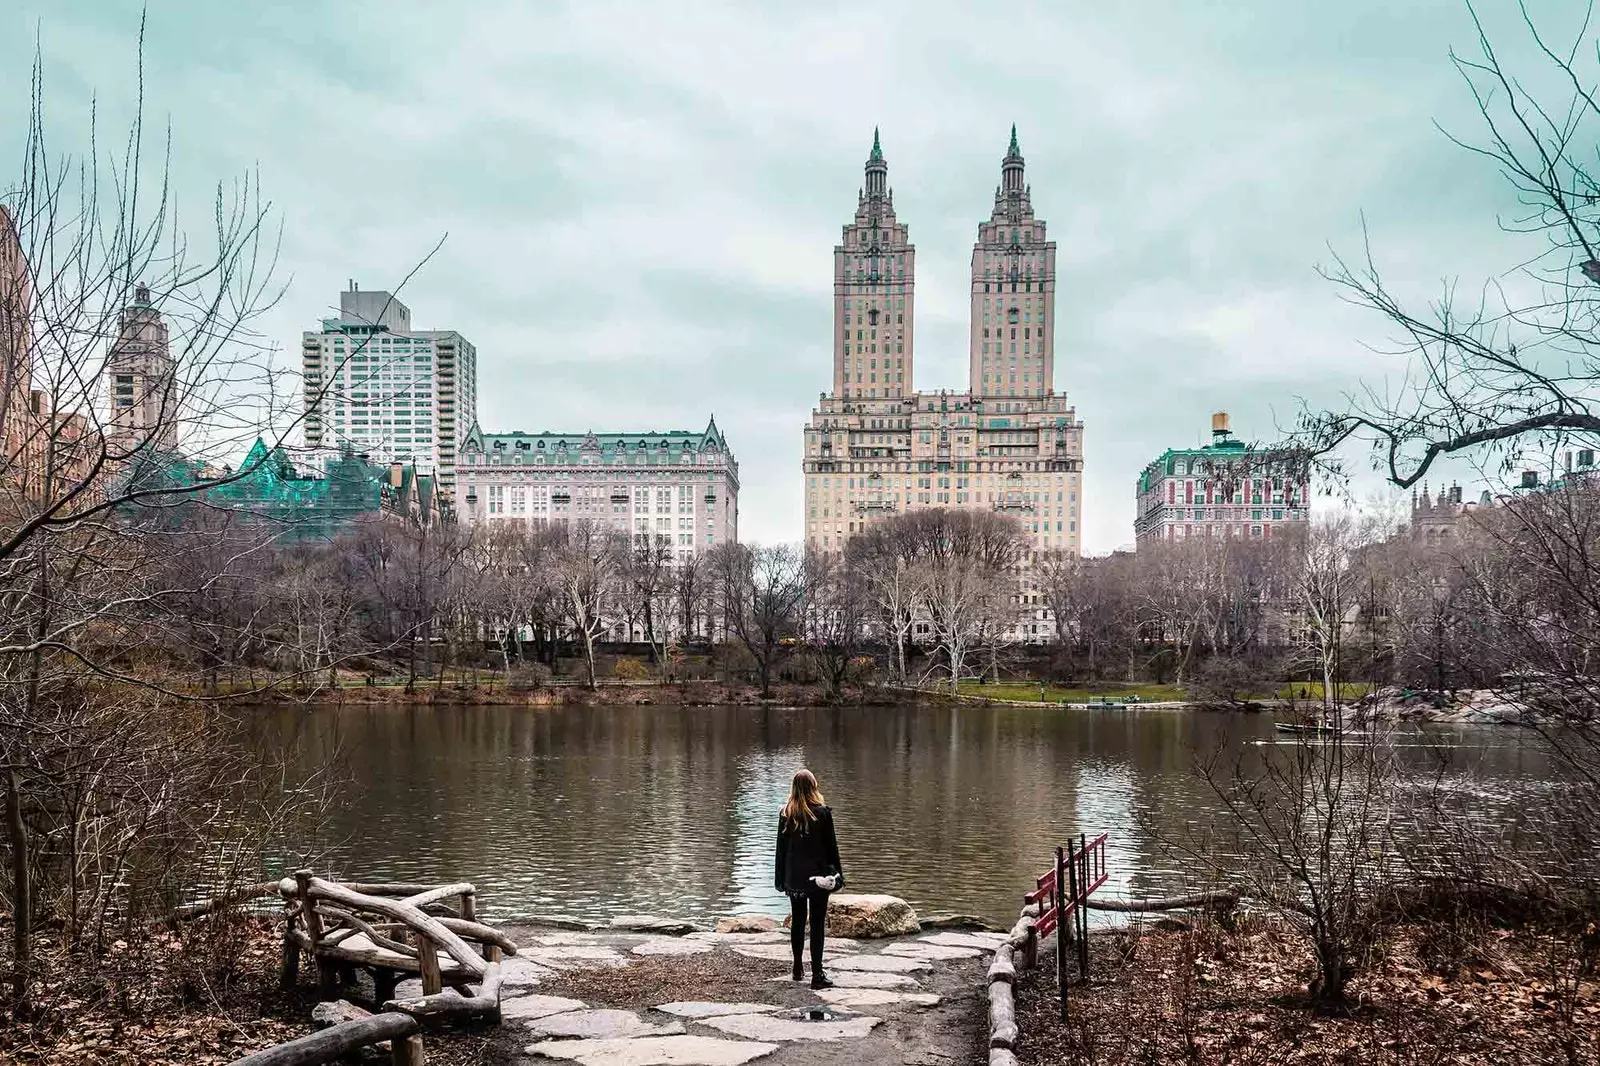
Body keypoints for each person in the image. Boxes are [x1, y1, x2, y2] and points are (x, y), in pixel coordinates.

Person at [774, 768, 843, 989]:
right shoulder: (822, 814)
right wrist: (837, 876)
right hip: (818, 877)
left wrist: (780, 879)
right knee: (816, 924)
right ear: (814, 787)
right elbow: (831, 849)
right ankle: (817, 974)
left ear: (793, 789)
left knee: (798, 921)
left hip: (794, 878)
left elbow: (781, 851)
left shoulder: (786, 814)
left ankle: (796, 968)